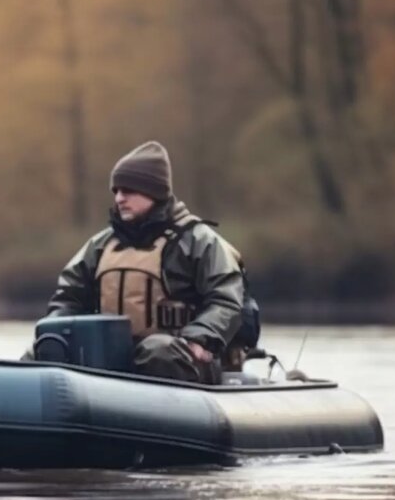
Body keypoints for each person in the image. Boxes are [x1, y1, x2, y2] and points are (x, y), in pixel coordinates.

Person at [44, 141, 246, 383]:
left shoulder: (199, 242)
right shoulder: (100, 246)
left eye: (128, 191)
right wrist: (54, 332)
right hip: (111, 357)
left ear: (155, 192)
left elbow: (226, 299)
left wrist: (199, 338)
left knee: (157, 352)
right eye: (116, 191)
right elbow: (68, 296)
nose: (119, 198)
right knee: (42, 349)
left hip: (186, 357)